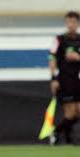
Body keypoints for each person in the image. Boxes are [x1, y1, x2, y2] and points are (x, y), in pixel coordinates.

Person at [50, 11, 80, 145]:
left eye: (73, 22)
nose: (71, 25)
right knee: (70, 113)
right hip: (65, 80)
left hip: (78, 80)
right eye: (68, 22)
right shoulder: (59, 39)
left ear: (78, 23)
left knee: (77, 112)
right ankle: (58, 133)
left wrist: (77, 57)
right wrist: (53, 79)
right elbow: (51, 59)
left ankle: (62, 134)